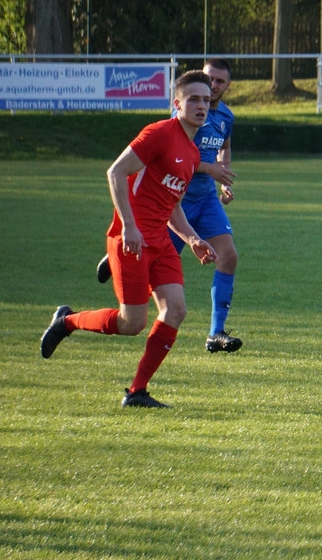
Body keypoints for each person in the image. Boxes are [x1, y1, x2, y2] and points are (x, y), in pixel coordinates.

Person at [40, 70, 219, 408]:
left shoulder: (193, 154)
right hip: (131, 240)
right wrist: (129, 226)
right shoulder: (159, 134)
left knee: (176, 310)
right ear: (177, 104)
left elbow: (173, 206)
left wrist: (192, 239)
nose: (201, 106)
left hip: (161, 243)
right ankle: (67, 321)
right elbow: (115, 172)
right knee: (131, 323)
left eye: (206, 100)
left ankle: (137, 392)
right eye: (193, 99)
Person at [97, 58, 243, 354]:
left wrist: (223, 177)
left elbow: (223, 148)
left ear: (228, 86)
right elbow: (175, 155)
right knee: (156, 268)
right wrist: (210, 169)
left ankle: (216, 333)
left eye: (219, 82)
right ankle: (118, 260)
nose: (213, 86)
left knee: (228, 256)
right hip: (174, 201)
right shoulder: (186, 113)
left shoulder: (226, 117)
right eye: (208, 79)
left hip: (206, 199)